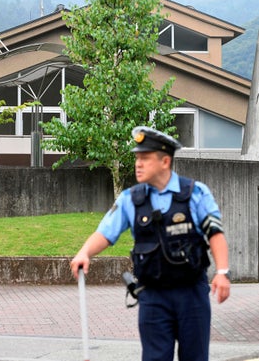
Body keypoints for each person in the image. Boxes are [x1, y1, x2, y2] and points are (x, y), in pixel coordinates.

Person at [70, 126, 230, 361]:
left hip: (192, 294)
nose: (138, 164)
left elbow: (215, 234)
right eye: (137, 158)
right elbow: (105, 233)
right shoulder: (131, 199)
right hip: (153, 296)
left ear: (165, 161)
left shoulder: (196, 193)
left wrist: (223, 272)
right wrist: (85, 252)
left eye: (145, 158)